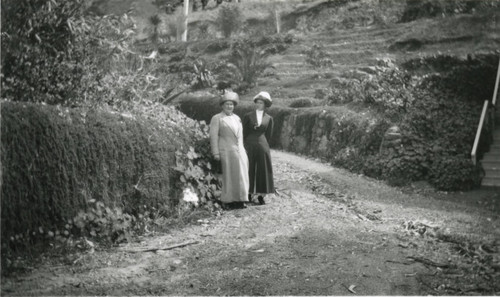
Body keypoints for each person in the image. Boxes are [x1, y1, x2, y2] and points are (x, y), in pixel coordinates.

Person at [209, 91, 249, 209]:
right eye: (227, 104)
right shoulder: (217, 118)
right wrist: (215, 152)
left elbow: (240, 136)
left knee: (241, 175)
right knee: (229, 176)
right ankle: (229, 200)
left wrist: (243, 150)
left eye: (231, 104)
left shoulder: (237, 118)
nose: (229, 106)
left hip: (239, 152)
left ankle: (241, 199)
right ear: (222, 105)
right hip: (226, 151)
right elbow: (213, 136)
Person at [242, 91, 275, 205]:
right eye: (257, 102)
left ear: (265, 104)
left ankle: (261, 195)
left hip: (262, 145)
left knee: (262, 169)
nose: (258, 104)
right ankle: (248, 193)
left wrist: (264, 145)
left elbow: (269, 135)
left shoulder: (269, 118)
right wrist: (243, 145)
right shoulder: (248, 116)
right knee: (248, 168)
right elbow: (244, 132)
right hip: (249, 145)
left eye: (261, 103)